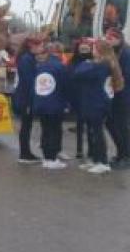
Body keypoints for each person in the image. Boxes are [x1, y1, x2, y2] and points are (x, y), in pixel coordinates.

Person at [73, 39, 126, 174]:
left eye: (94, 48)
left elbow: (79, 73)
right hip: (99, 102)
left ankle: (102, 161)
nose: (92, 50)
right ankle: (96, 159)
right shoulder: (107, 63)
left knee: (97, 133)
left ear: (100, 51)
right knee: (94, 132)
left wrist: (86, 63)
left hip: (97, 103)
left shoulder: (101, 65)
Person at [31, 40, 70, 170]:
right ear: (59, 53)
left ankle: (46, 157)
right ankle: (52, 158)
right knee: (54, 130)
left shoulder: (40, 66)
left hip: (41, 103)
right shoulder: (60, 67)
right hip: (55, 104)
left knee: (46, 130)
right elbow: (65, 87)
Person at [12, 34, 45, 164]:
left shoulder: (28, 58)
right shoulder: (27, 59)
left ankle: (26, 152)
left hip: (25, 95)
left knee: (27, 125)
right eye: (40, 45)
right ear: (33, 46)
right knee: (26, 125)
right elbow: (29, 81)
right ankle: (24, 154)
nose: (42, 48)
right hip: (25, 97)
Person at [104, 28, 130, 169]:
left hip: (123, 95)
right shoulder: (113, 53)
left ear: (119, 39)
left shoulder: (125, 54)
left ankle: (126, 156)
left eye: (111, 39)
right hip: (115, 95)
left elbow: (125, 76)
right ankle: (121, 153)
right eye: (107, 38)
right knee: (111, 123)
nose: (108, 41)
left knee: (121, 126)